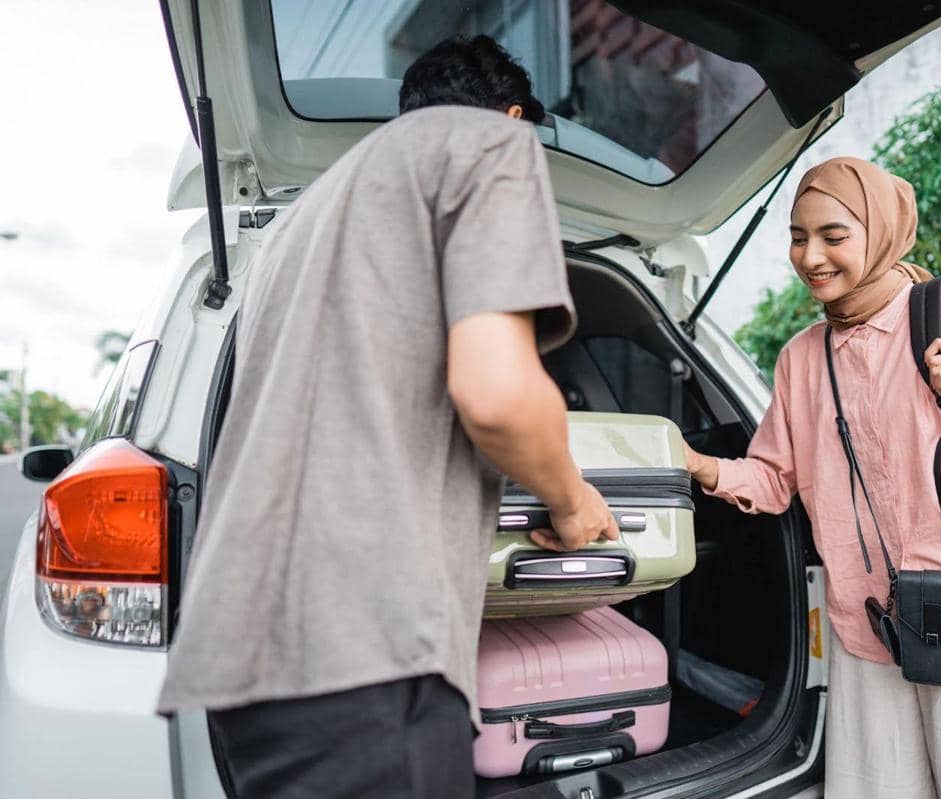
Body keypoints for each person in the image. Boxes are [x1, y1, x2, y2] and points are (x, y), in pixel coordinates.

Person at [157, 35, 619, 798]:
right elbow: (499, 396)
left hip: (247, 665)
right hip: (366, 649)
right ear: (511, 116)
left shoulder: (296, 229)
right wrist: (572, 500)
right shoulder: (490, 146)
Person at [684, 157, 941, 799]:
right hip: (869, 616)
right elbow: (772, 479)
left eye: (833, 235)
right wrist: (691, 463)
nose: (811, 256)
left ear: (878, 231)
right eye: (798, 237)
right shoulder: (801, 357)